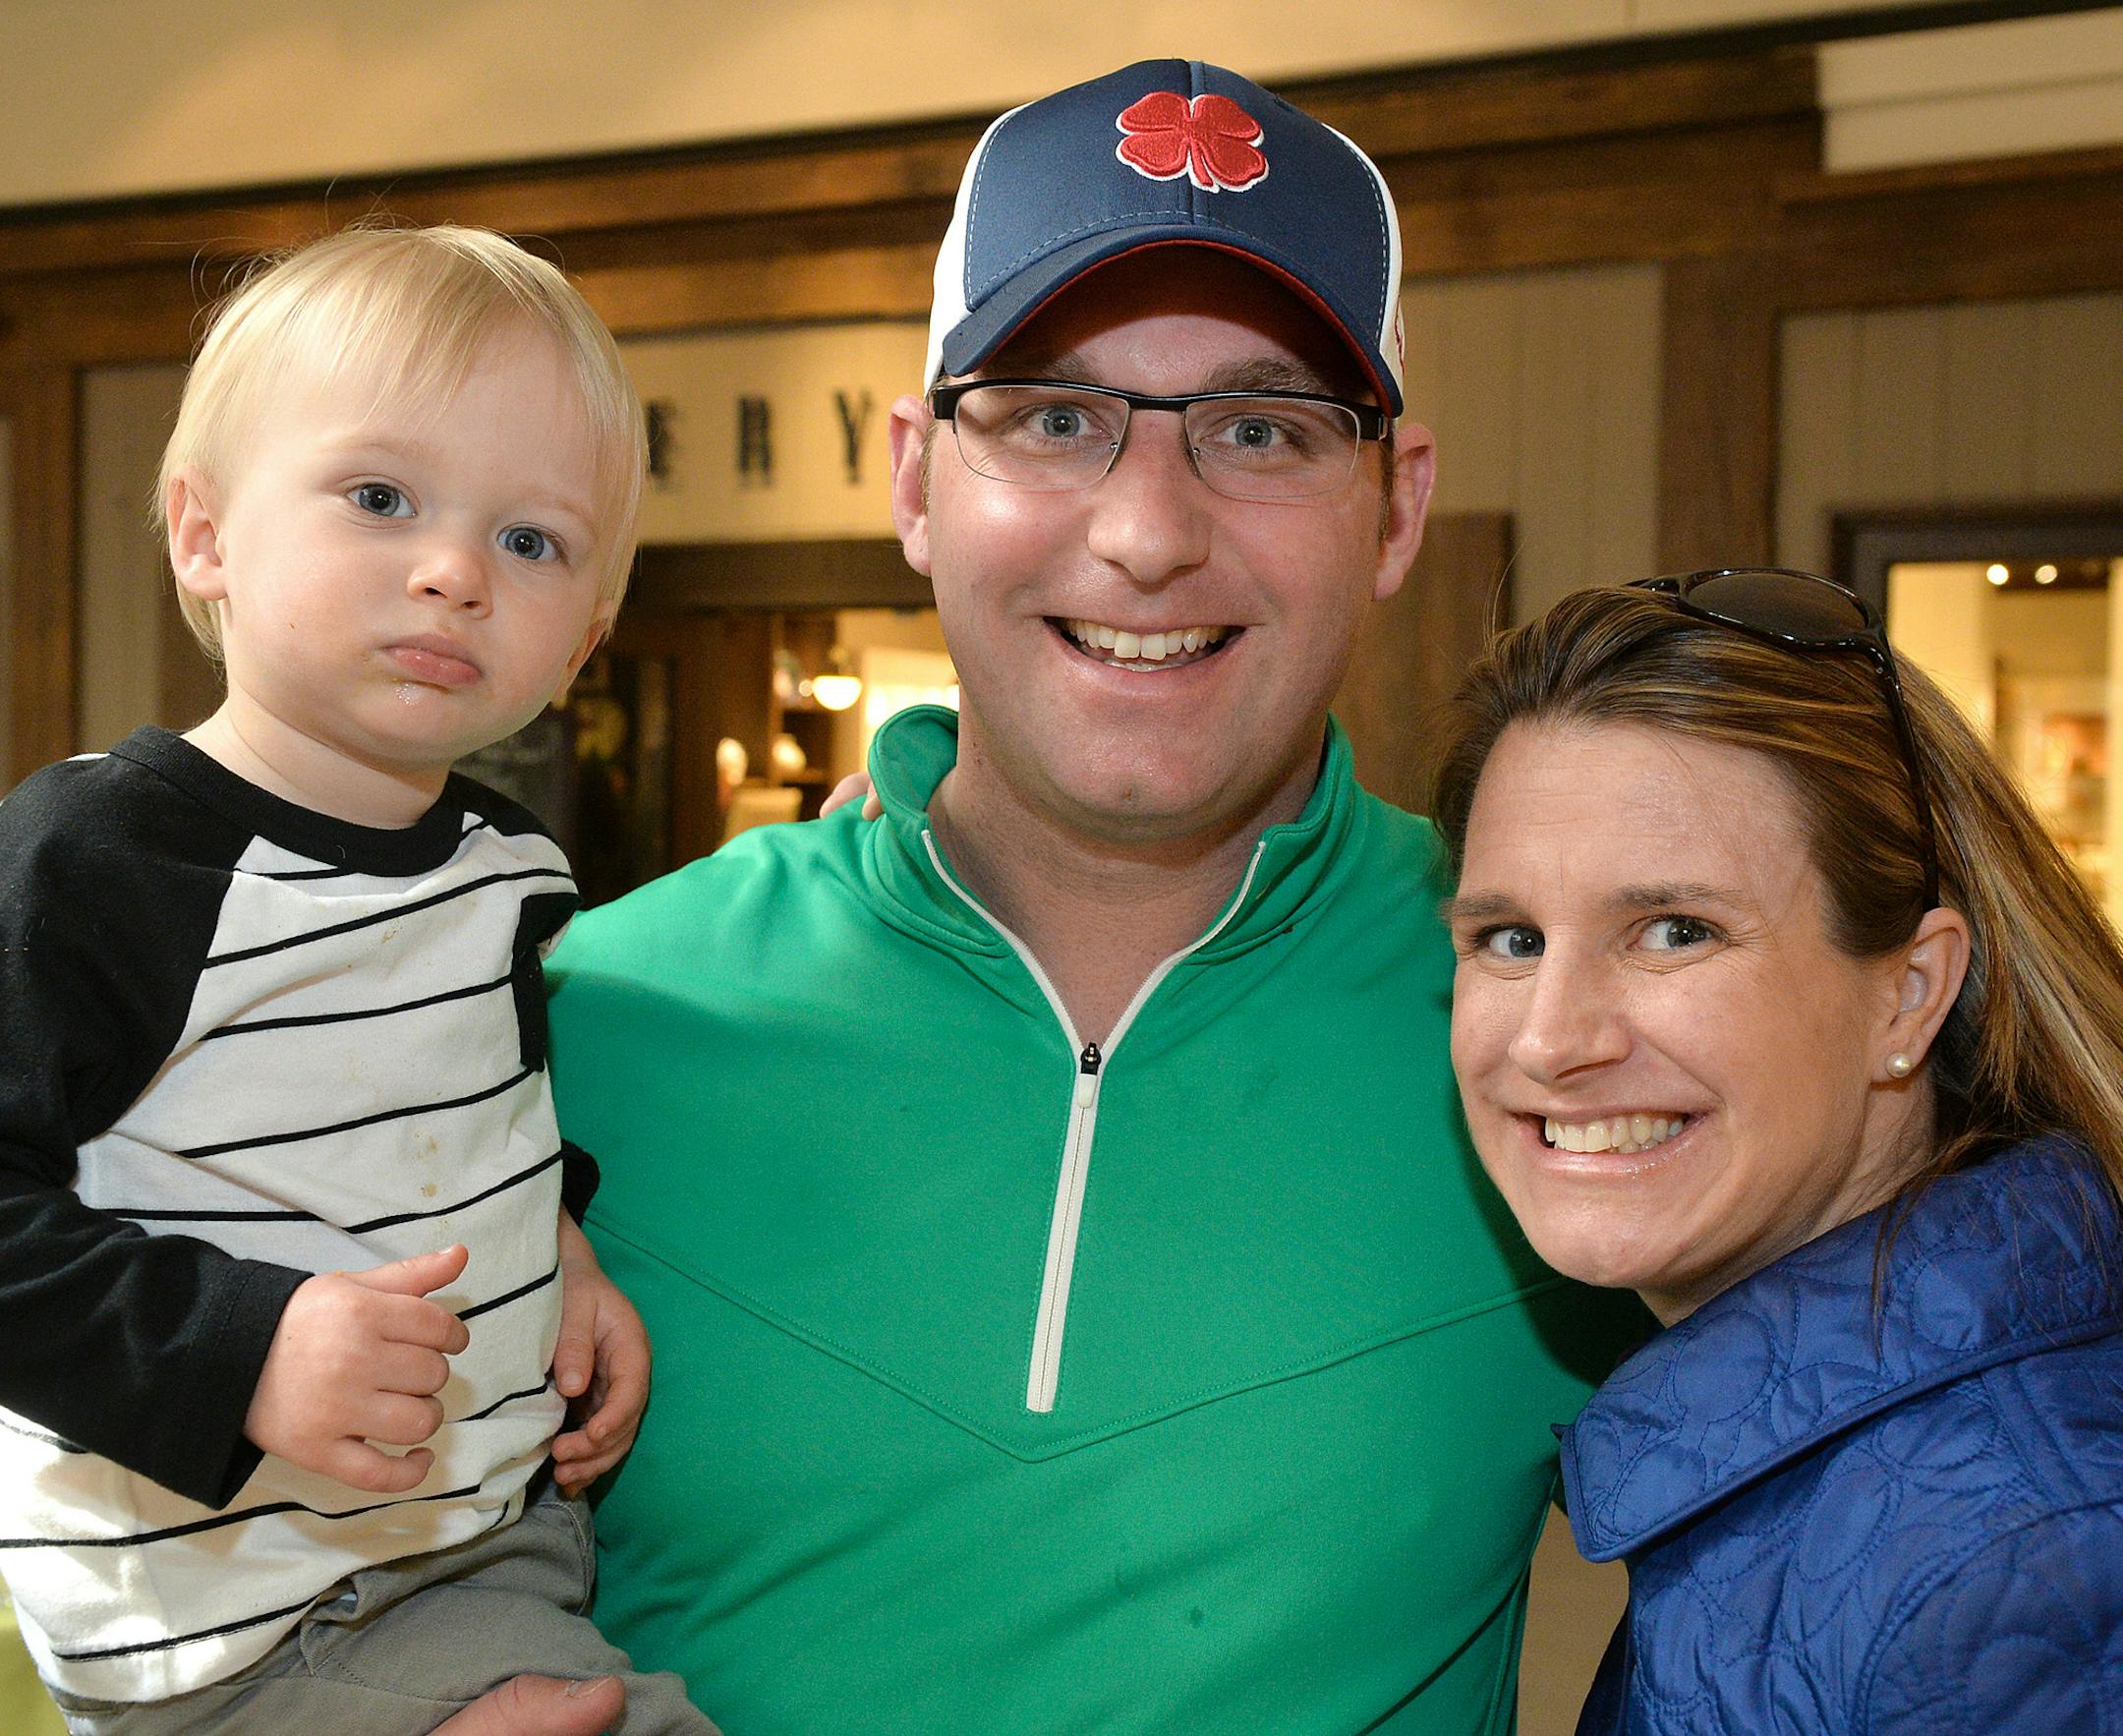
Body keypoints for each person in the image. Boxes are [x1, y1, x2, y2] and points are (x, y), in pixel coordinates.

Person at [548, 60, 1639, 1733]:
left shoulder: (1556, 1027)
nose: (1146, 532)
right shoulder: (588, 1013)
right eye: (1054, 417)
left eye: (1262, 431)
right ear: (916, 478)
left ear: (1396, 506)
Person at [0, 224, 715, 1734]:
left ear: (584, 634)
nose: (454, 570)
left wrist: (563, 1257)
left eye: (531, 539)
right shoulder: (98, 860)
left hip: (484, 1543)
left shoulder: (503, 874)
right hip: (231, 1609)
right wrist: (237, 1346)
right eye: (380, 497)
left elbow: (463, 1116)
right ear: (204, 533)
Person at [1431, 570, 2123, 1731]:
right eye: (1510, 936)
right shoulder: (1827, 1474)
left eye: (1674, 930)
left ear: (1908, 996)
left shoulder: (2027, 1561)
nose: (1552, 1040)